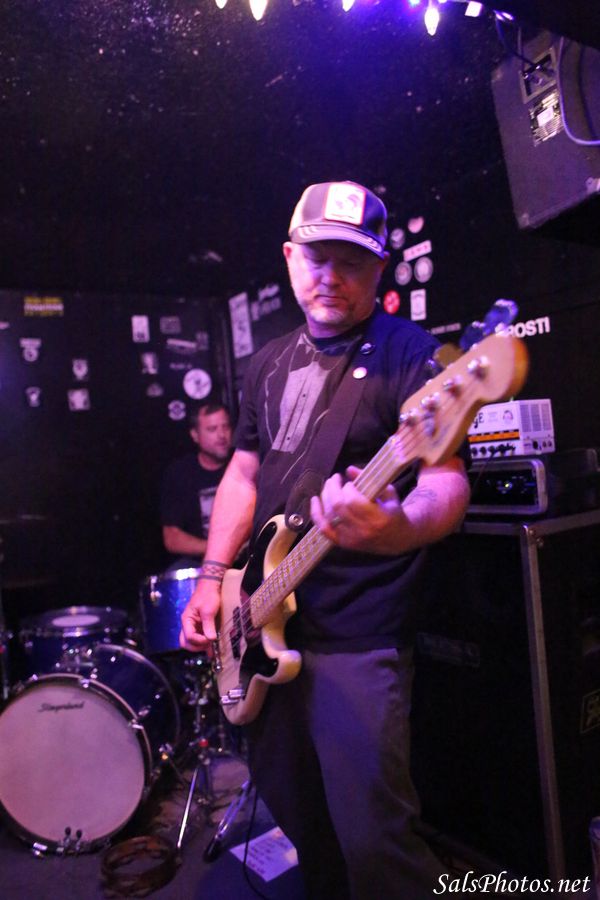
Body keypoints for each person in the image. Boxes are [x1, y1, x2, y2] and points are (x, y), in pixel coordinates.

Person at [180, 181, 471, 899]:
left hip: (359, 632)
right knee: (299, 816)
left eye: (352, 260)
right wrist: (214, 578)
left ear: (380, 269)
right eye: (317, 258)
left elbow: (446, 486)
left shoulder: (414, 358)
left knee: (375, 840)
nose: (331, 276)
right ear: (289, 258)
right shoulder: (267, 362)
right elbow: (244, 473)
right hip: (262, 618)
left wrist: (397, 527)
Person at [160, 401, 232, 568]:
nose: (222, 435)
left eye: (226, 427)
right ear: (195, 435)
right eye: (212, 429)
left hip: (246, 560)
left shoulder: (244, 465)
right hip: (201, 563)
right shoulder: (180, 474)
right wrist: (218, 551)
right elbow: (172, 538)